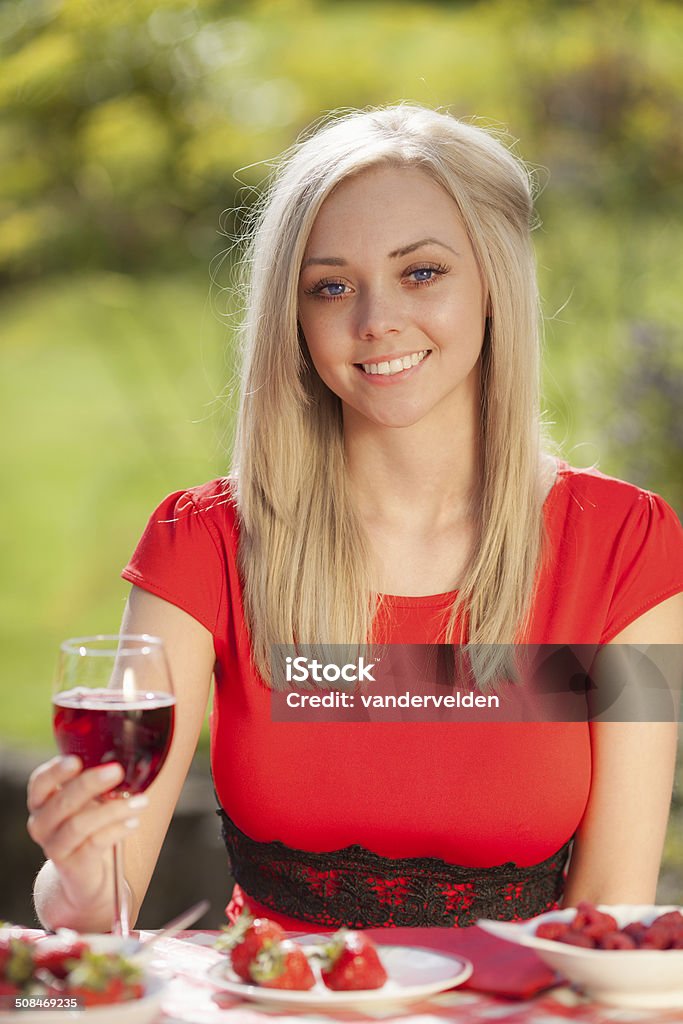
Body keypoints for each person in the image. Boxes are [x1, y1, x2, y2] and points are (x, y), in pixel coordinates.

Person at [28, 104, 683, 933]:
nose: (375, 320)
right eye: (330, 286)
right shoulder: (200, 547)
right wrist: (83, 880)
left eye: (421, 273)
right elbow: (95, 904)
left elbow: (612, 911)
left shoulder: (632, 549)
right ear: (293, 320)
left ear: (492, 285)